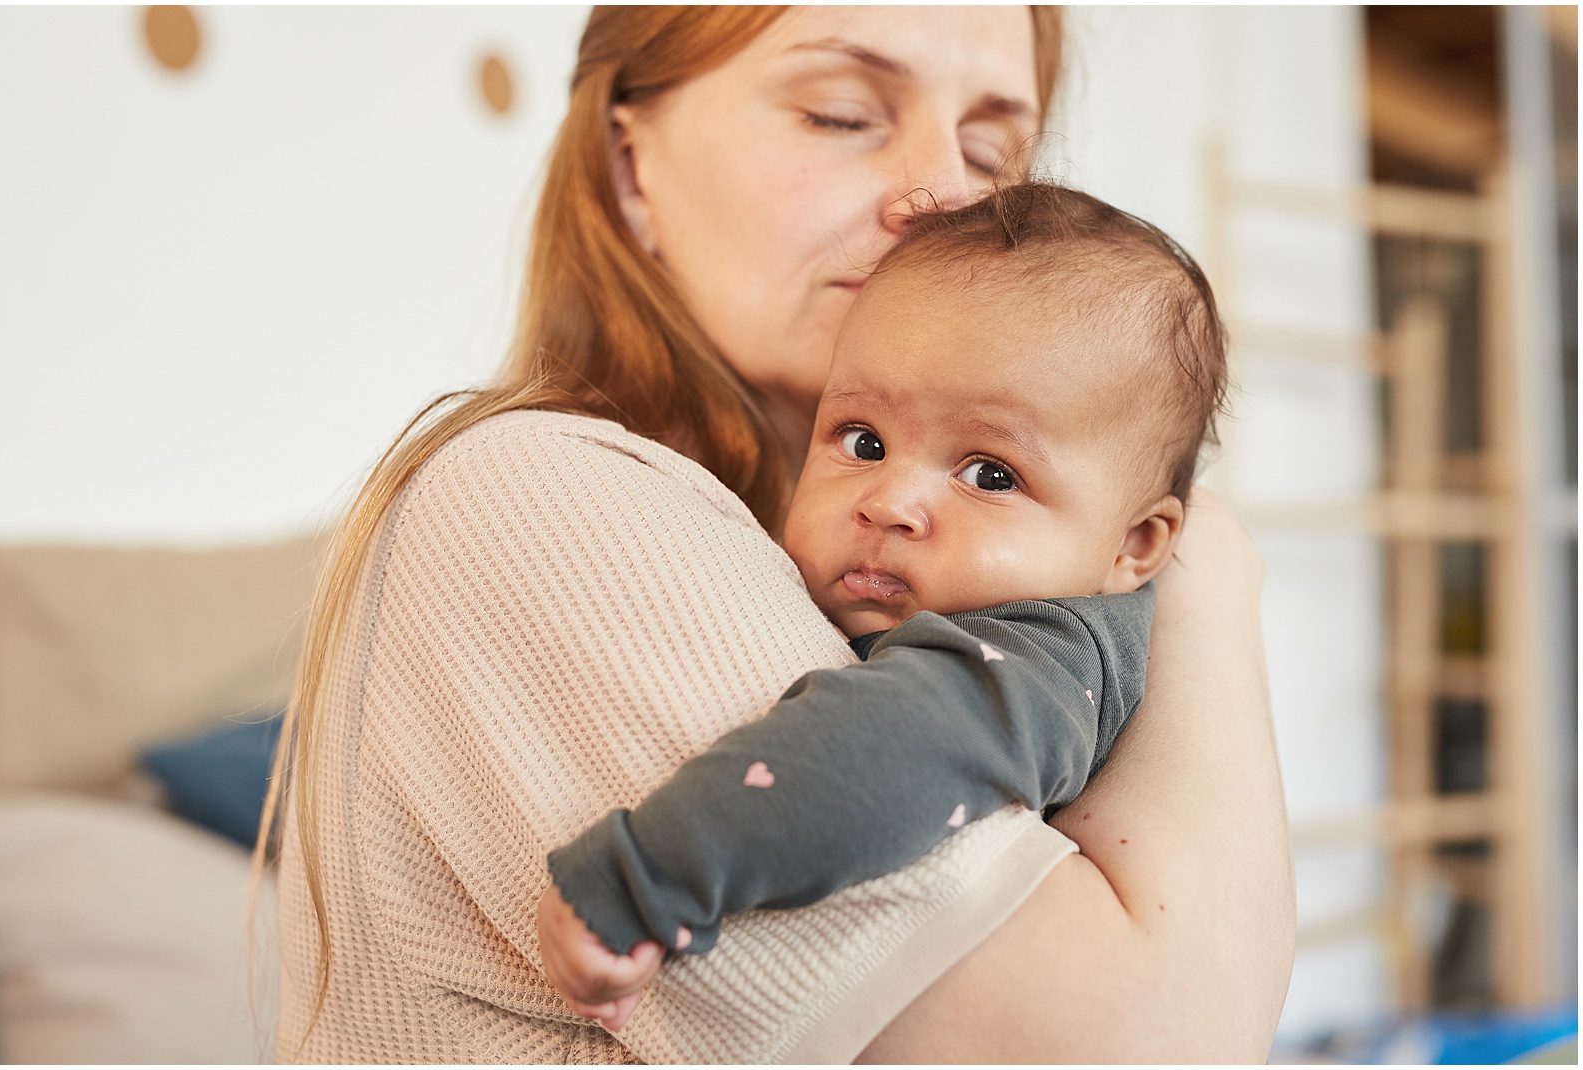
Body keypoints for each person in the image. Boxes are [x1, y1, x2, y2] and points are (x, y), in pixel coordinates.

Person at [261, 7, 1296, 1064]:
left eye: (992, 148)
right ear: (631, 169)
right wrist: (1206, 568)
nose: (945, 193)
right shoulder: (536, 497)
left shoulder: (869, 577)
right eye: (842, 114)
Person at [536, 182, 1224, 1023]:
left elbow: (885, 752)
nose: (889, 499)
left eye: (990, 474)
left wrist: (649, 876)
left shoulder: (1043, 649)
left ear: (1135, 547)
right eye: (863, 442)